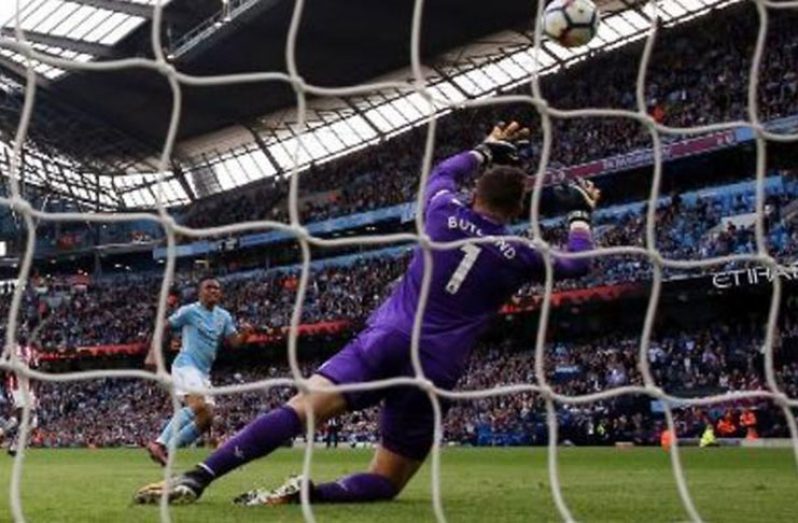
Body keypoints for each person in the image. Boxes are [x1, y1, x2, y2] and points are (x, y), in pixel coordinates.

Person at [134, 121, 599, 505]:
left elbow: (443, 170)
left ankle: (198, 477)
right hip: (434, 368)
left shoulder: (441, 211)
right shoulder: (520, 252)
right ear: (518, 208)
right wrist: (580, 217)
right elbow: (578, 264)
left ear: (476, 191)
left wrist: (485, 149)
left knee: (300, 409)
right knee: (387, 480)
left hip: (387, 338)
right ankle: (310, 494)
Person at [144, 278, 253, 466]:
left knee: (206, 418)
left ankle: (167, 449)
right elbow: (164, 325)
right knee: (197, 405)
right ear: (200, 292)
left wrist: (245, 334)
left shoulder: (224, 317)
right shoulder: (189, 311)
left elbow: (235, 342)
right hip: (185, 365)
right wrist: (153, 352)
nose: (213, 291)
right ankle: (158, 443)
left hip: (203, 373)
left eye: (217, 288)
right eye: (208, 287)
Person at [2, 339, 39, 457]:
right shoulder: (10, 349)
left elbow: (35, 371)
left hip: (27, 390)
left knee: (32, 422)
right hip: (15, 389)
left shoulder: (31, 351)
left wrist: (33, 392)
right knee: (25, 418)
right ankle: (14, 447)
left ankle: (13, 446)